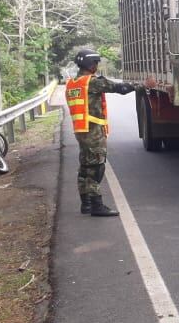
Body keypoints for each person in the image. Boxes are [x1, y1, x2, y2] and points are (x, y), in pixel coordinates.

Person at [65, 50, 155, 216]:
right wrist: (143, 85)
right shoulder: (92, 82)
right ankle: (97, 206)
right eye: (95, 63)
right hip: (93, 132)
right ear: (90, 65)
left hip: (81, 130)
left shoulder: (73, 83)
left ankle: (85, 204)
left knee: (85, 167)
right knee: (96, 167)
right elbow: (119, 88)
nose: (96, 66)